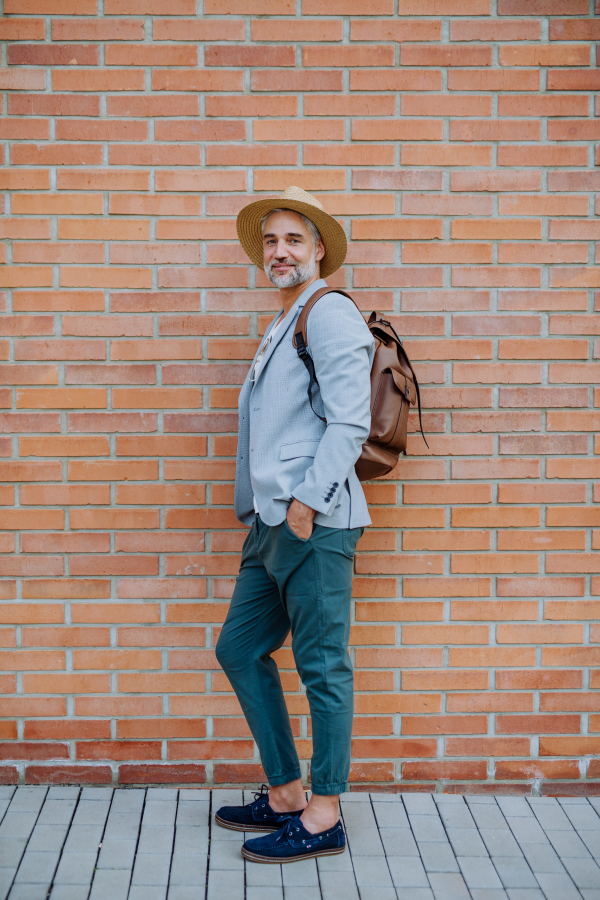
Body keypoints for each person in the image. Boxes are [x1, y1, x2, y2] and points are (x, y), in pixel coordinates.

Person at [214, 186, 375, 864]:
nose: (280, 252)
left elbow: (351, 420)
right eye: (271, 242)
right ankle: (284, 792)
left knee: (322, 668)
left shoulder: (329, 313)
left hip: (314, 522)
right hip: (271, 525)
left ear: (318, 252)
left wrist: (307, 503)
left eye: (293, 241)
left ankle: (324, 813)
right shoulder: (287, 319)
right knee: (240, 649)